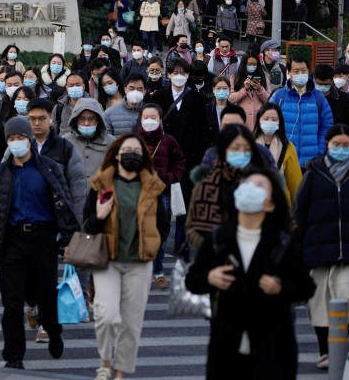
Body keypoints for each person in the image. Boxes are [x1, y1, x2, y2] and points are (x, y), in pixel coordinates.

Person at [186, 169, 315, 380]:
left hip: (273, 344)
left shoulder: (283, 241)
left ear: (270, 203)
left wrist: (280, 287)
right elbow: (193, 280)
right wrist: (210, 278)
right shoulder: (219, 239)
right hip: (227, 345)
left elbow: (306, 286)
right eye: (247, 184)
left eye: (260, 186)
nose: (251, 189)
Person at [0, 116, 78, 369]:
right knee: (11, 303)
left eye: (21, 138)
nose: (17, 143)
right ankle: (13, 357)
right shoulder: (0, 174)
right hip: (12, 241)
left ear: (30, 140)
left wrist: (69, 239)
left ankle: (54, 332)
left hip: (43, 240)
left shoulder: (50, 168)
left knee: (45, 296)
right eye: (12, 139)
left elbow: (64, 204)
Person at [294, 124, 349, 370]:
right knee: (320, 304)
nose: (341, 149)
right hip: (319, 249)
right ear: (328, 144)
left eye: (346, 145)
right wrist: (300, 249)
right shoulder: (314, 172)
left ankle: (343, 347)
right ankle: (325, 351)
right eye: (336, 145)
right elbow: (300, 212)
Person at [85, 133, 168, 380]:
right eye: (126, 150)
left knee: (131, 323)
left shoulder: (152, 186)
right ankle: (104, 362)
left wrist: (152, 244)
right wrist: (99, 216)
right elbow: (87, 225)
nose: (131, 154)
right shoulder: (102, 183)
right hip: (107, 260)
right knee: (106, 315)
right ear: (117, 154)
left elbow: (163, 225)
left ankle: (119, 372)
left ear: (143, 156)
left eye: (136, 150)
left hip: (139, 263)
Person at [186, 124, 270, 250]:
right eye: (235, 149)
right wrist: (214, 245)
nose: (242, 153)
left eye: (247, 149)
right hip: (216, 260)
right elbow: (192, 228)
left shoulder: (264, 183)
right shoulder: (206, 184)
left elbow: (279, 224)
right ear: (223, 150)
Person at [137, 104, 185, 289]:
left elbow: (180, 161)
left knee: (160, 232)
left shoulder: (168, 141)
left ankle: (158, 270)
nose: (149, 120)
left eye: (153, 117)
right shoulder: (134, 140)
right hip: (139, 193)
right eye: (146, 117)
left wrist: (170, 178)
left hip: (162, 192)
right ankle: (141, 269)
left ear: (160, 120)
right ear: (140, 119)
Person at [269, 57, 334, 165]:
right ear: (289, 72)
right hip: (284, 160)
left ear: (308, 71)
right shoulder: (279, 96)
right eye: (296, 71)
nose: (300, 74)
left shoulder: (319, 97)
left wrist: (319, 150)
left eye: (303, 71)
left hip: (311, 161)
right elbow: (268, 122)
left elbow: (327, 126)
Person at [148, 58, 209, 168]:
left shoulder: (197, 98)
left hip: (190, 156)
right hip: (164, 154)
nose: (179, 76)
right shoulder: (158, 97)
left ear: (188, 75)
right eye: (175, 73)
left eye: (183, 73)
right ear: (169, 74)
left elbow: (203, 128)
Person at [253, 104, 303, 202]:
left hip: (281, 202)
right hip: (253, 201)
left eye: (274, 120)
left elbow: (295, 181)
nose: (270, 122)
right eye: (266, 118)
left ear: (279, 122)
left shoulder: (288, 147)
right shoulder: (249, 145)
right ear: (259, 120)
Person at [0, 71, 25, 168]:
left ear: (22, 85)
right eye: (9, 85)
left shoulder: (29, 105)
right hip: (1, 160)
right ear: (5, 86)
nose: (12, 87)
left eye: (16, 84)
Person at [227, 55, 269, 129]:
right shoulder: (236, 77)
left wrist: (260, 89)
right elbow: (231, 99)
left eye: (254, 64)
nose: (252, 66)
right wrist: (244, 89)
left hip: (259, 120)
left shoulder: (263, 77)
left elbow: (269, 100)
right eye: (249, 64)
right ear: (244, 64)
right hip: (242, 120)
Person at [313, 63, 349, 128]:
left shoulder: (344, 98)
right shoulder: (306, 98)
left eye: (326, 84)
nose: (323, 87)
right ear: (314, 80)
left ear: (332, 81)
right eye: (319, 84)